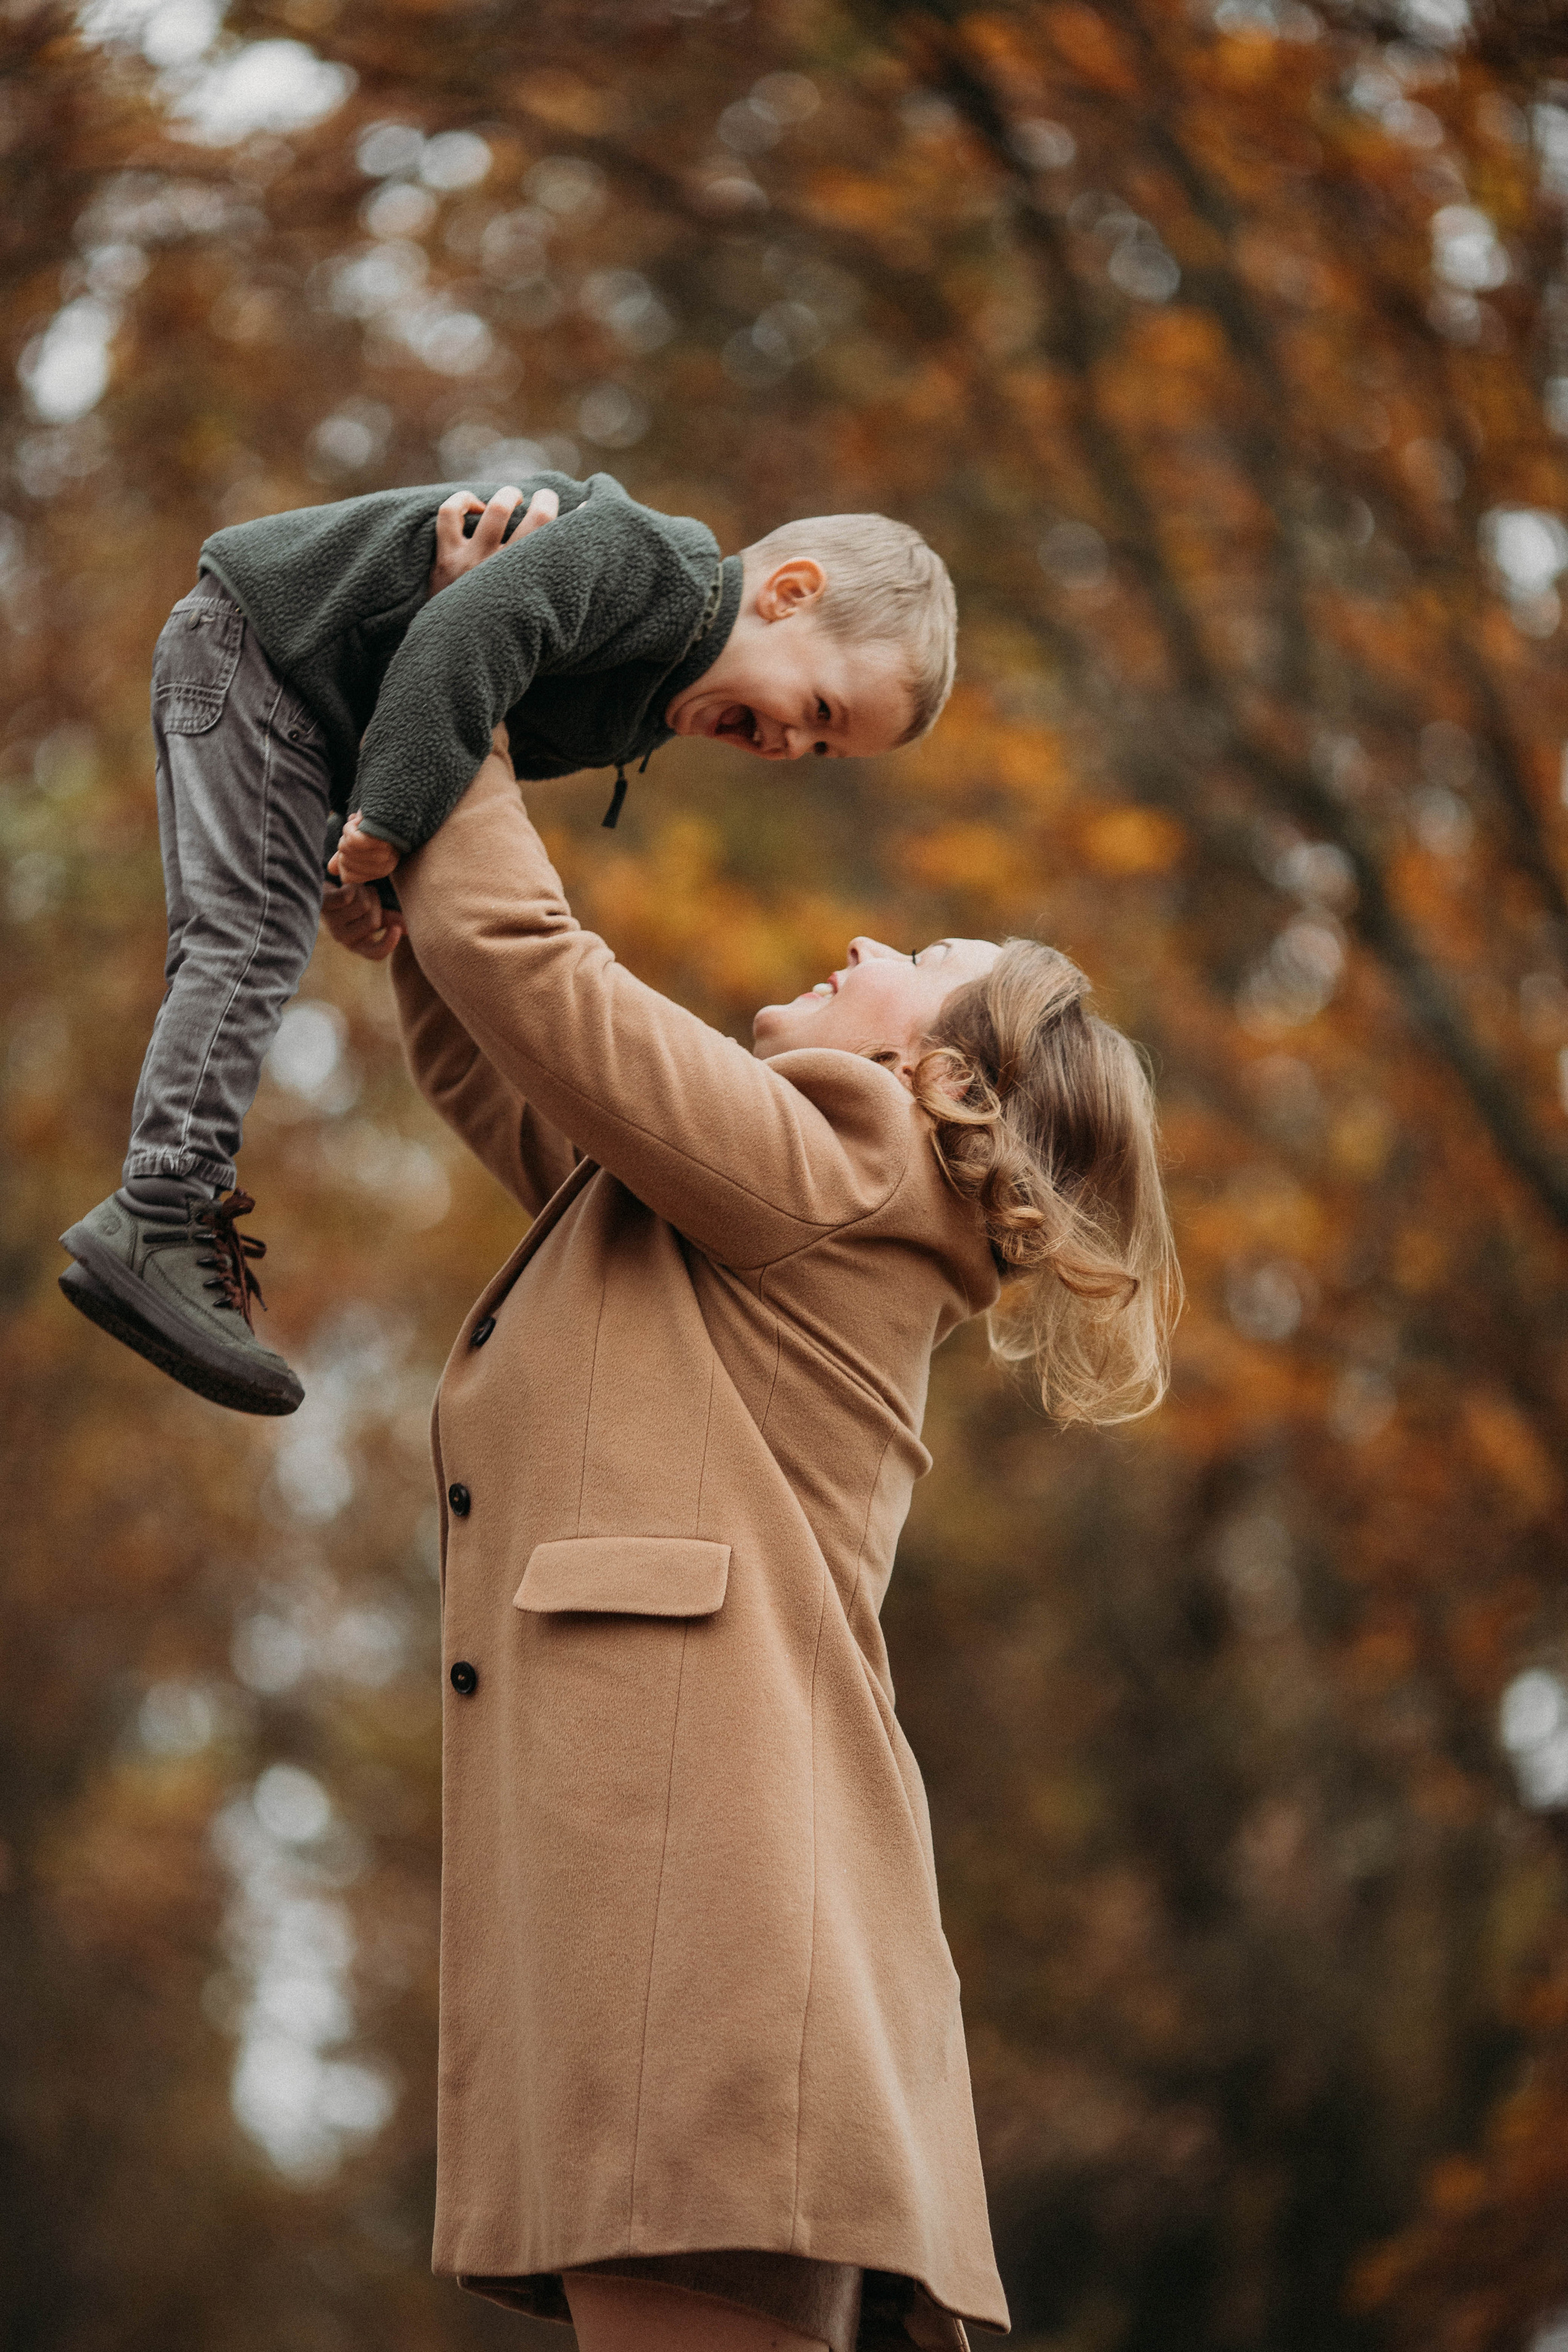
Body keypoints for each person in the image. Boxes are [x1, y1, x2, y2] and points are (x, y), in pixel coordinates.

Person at [323, 738, 1179, 2352]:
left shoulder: (853, 1159)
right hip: (698, 1910)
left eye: (921, 968)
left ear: (944, 1080)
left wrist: (465, 726)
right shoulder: (765, 1206)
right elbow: (525, 1075)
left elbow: (543, 978)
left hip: (699, 1913)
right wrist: (415, 919)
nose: (868, 946)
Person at [57, 473, 956, 1418]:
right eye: (818, 711)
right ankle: (165, 1206)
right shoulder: (656, 570)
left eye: (822, 753)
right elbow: (458, 635)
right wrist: (388, 823)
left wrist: (359, 866)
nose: (789, 749)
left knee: (259, 929)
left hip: (304, 698)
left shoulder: (646, 697)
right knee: (245, 937)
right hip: (271, 648)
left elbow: (447, 711)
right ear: (790, 593)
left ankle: (167, 1204)